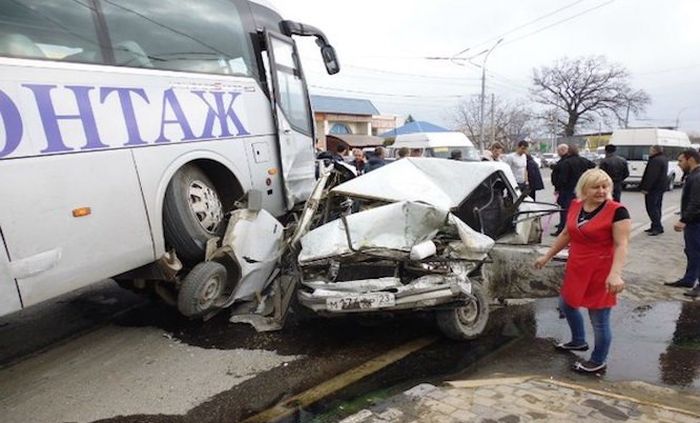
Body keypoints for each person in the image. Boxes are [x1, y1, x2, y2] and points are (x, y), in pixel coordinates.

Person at [535, 169, 631, 374]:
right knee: (566, 304)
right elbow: (566, 233)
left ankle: (598, 360)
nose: (601, 190)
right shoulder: (576, 205)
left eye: (605, 186)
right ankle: (578, 340)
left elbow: (621, 245)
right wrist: (547, 255)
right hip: (577, 266)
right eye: (596, 186)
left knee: (599, 319)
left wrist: (615, 274)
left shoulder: (617, 211)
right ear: (584, 189)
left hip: (602, 270)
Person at [666, 149, 700, 296]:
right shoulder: (693, 175)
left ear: (690, 159)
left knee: (696, 253)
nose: (679, 164)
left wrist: (683, 219)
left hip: (695, 222)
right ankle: (689, 279)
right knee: (691, 252)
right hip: (693, 222)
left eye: (681, 161)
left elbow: (696, 202)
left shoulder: (697, 176)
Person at [551, 144, 595, 236]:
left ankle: (563, 229)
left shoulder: (566, 163)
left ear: (569, 152)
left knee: (565, 210)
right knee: (580, 209)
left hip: (567, 190)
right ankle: (579, 227)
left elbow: (562, 179)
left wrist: (558, 187)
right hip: (582, 189)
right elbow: (593, 166)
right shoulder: (584, 161)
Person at [640, 145, 669, 236]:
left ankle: (657, 227)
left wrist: (645, 188)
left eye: (651, 150)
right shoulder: (663, 158)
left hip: (653, 189)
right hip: (660, 187)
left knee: (652, 208)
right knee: (657, 207)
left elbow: (651, 176)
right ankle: (655, 225)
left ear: (655, 151)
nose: (650, 151)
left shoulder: (655, 160)